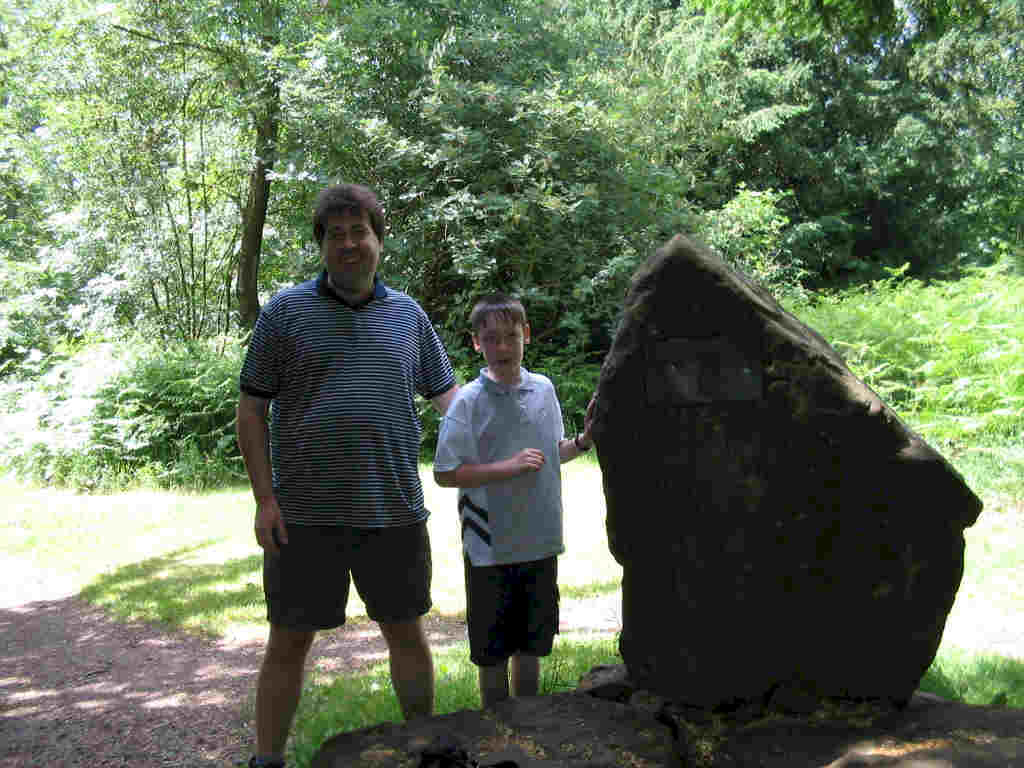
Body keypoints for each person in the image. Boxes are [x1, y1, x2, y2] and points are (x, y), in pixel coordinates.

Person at [236, 183, 458, 768]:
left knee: (406, 633)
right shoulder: (285, 313)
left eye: (359, 231)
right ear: (322, 247)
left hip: (393, 511)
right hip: (304, 516)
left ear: (379, 241)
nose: (349, 244)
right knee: (288, 641)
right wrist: (265, 500)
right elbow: (251, 410)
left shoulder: (409, 316)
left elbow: (451, 402)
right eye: (335, 235)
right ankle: (267, 760)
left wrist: (522, 422)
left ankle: (424, 750)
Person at [433, 293, 595, 707]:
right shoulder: (466, 402)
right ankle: (494, 732)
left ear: (526, 335)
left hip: (540, 540)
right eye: (491, 339)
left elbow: (549, 452)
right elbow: (445, 473)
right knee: (492, 653)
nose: (502, 347)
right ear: (476, 343)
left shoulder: (544, 389)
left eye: (510, 336)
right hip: (490, 548)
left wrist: (583, 442)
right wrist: (507, 467)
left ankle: (529, 730)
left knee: (531, 647)